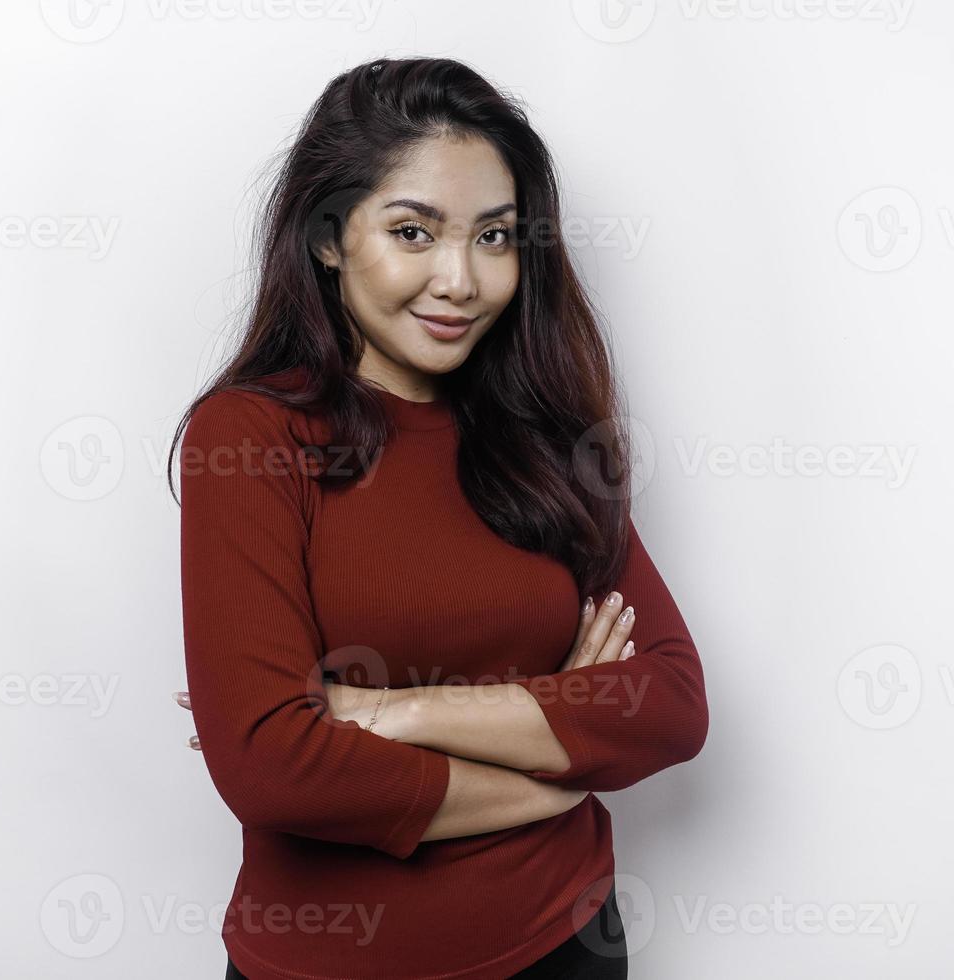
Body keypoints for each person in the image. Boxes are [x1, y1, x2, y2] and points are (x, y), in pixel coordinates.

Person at [169, 56, 708, 979]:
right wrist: (554, 777)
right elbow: (268, 765)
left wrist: (381, 712)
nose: (461, 280)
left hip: (564, 942)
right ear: (330, 237)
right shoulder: (250, 437)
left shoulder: (545, 436)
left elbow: (668, 707)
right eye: (413, 231)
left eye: (494, 237)